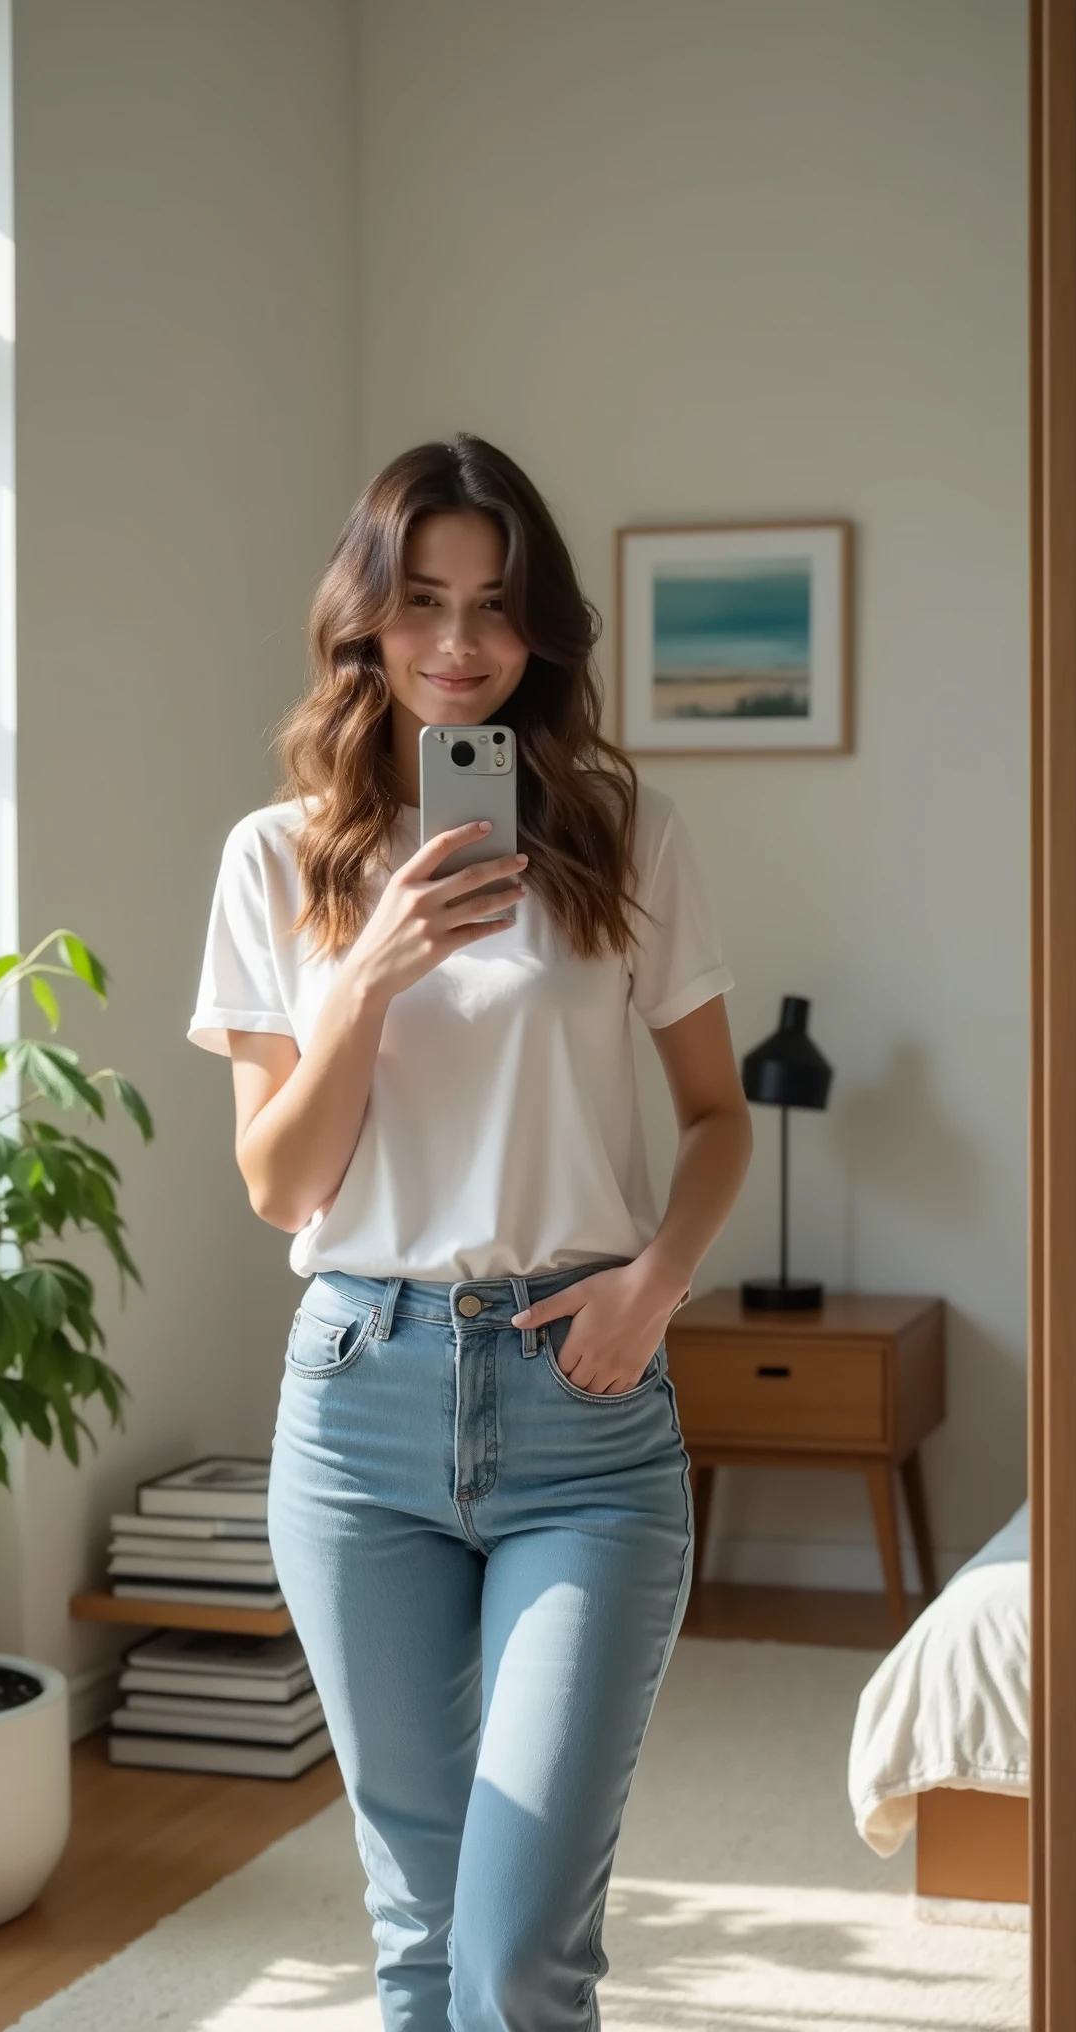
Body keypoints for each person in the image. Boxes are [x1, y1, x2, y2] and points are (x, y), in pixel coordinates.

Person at [188, 432, 752, 2031]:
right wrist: (367, 973)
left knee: (515, 1951)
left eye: (495, 608)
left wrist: (656, 1286)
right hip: (358, 1410)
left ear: (540, 631)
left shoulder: (625, 838)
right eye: (422, 601)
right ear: (363, 616)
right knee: (421, 1933)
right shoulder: (274, 858)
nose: (456, 645)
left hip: (583, 1397)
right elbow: (282, 1184)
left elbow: (718, 1120)